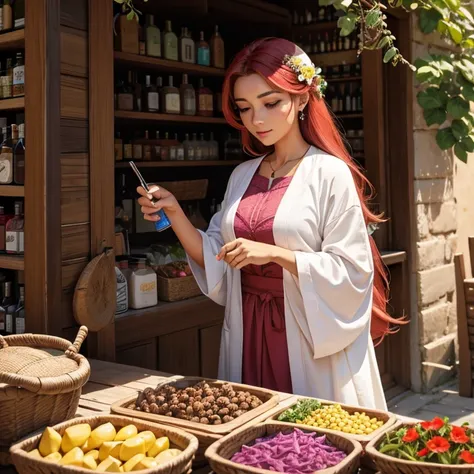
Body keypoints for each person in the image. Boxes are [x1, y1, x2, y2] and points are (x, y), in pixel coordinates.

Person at [137, 38, 404, 410]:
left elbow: (353, 270)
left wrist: (277, 255)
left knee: (309, 444)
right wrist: (176, 214)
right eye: (244, 108)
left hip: (307, 330)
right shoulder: (242, 175)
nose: (256, 120)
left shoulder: (329, 173)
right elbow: (217, 257)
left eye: (270, 103)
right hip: (247, 329)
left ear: (302, 99)